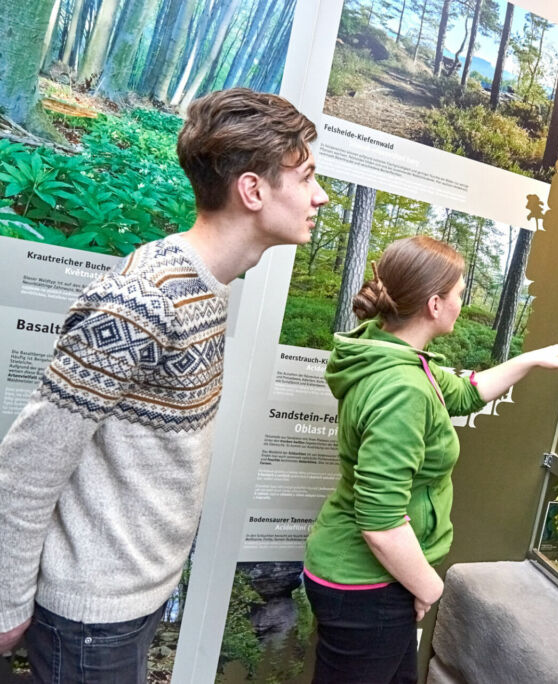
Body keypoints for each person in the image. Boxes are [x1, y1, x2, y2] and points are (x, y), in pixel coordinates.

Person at [0, 87, 328, 682]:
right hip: (90, 619)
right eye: (305, 177)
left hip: (135, 600)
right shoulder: (140, 300)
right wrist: (7, 603)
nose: (320, 195)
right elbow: (27, 467)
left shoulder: (208, 285)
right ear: (252, 190)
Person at [303, 235, 558, 683]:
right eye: (458, 292)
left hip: (381, 581)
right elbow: (380, 523)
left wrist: (532, 360)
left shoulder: (396, 354)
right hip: (365, 585)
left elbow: (468, 392)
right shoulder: (401, 389)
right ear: (434, 304)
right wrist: (428, 586)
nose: (461, 301)